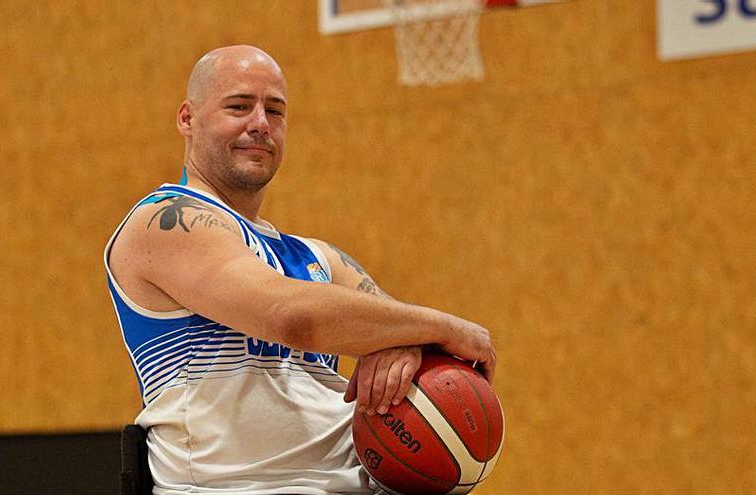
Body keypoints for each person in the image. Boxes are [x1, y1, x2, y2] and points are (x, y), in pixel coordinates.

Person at [104, 45, 497, 494]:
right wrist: (442, 328)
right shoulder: (166, 221)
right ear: (187, 119)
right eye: (238, 106)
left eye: (275, 111)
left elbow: (394, 326)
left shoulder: (319, 259)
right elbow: (293, 317)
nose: (260, 124)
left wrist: (406, 344)